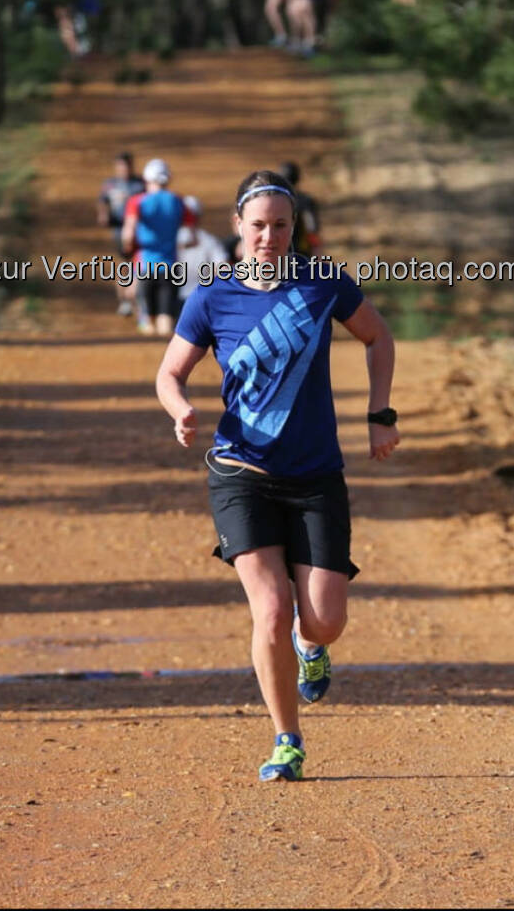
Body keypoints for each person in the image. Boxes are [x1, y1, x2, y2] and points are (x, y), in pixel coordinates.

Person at [155, 169, 398, 783]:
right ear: (237, 226)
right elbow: (169, 373)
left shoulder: (322, 284)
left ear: (296, 229)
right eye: (257, 225)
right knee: (269, 608)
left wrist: (380, 414)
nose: (268, 236)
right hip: (241, 471)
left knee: (323, 620)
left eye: (280, 225)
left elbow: (377, 337)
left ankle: (310, 646)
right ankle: (286, 739)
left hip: (316, 474)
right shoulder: (211, 296)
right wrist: (180, 409)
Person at [121, 159, 191, 337]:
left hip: (146, 266)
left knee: (147, 319)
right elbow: (192, 237)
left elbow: (128, 234)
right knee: (166, 318)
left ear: (146, 179)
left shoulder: (137, 201)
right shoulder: (178, 202)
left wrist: (128, 248)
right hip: (171, 266)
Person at [97, 153, 145, 316]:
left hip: (139, 231)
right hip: (119, 231)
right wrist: (103, 215)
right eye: (120, 167)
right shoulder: (110, 185)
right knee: (123, 265)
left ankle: (136, 297)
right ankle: (125, 300)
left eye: (126, 166)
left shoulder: (140, 184)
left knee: (138, 263)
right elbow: (102, 202)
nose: (123, 170)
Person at [176, 196, 227, 302]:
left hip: (174, 296)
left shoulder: (169, 239)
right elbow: (222, 268)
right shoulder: (210, 240)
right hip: (201, 296)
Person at [278, 160, 322, 258]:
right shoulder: (305, 201)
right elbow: (312, 228)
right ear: (298, 178)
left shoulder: (273, 202)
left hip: (276, 254)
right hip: (302, 255)